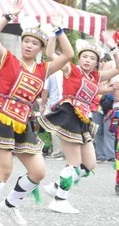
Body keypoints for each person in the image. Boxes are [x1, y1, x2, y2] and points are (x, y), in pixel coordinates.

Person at [0, 6, 73, 226]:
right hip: (2, 118)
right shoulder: (8, 59)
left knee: (38, 171)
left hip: (23, 123)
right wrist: (7, 16)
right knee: (4, 170)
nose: (29, 45)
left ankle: (11, 204)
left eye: (35, 43)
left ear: (41, 48)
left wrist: (58, 28)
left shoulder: (44, 69)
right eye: (27, 41)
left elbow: (69, 55)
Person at [38, 34, 119, 214]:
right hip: (68, 115)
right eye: (85, 56)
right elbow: (50, 53)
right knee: (73, 163)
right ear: (79, 57)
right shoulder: (70, 69)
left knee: (89, 165)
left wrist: (113, 48)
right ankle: (59, 200)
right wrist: (55, 33)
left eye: (92, 58)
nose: (88, 60)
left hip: (83, 120)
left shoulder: (95, 77)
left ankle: (57, 186)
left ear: (97, 62)